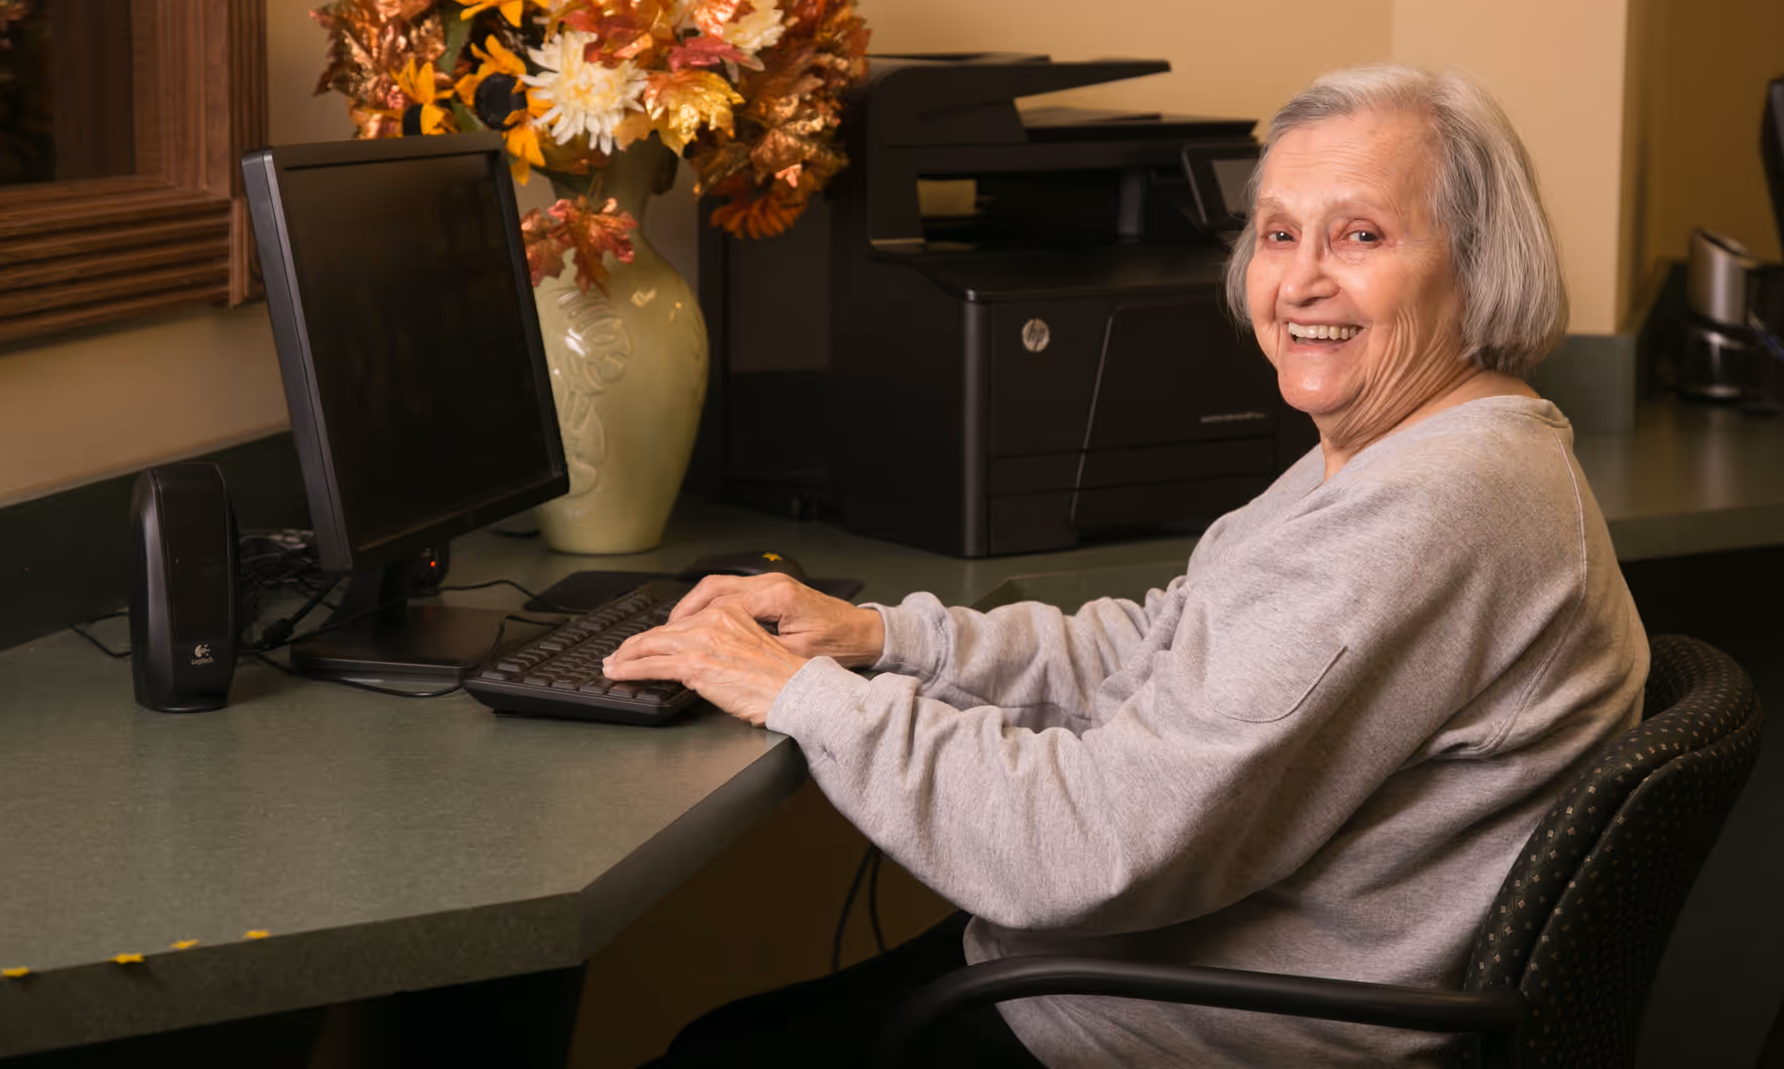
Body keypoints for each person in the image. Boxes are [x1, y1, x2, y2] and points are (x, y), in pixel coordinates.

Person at [605, 64, 1650, 1067]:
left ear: (1476, 263)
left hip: (1173, 1029)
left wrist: (802, 695)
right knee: (718, 1042)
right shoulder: (1419, 446)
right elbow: (1165, 637)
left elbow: (1085, 847)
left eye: (1361, 235)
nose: (1299, 281)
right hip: (1126, 979)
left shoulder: (1429, 510)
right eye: (1278, 233)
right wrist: (882, 636)